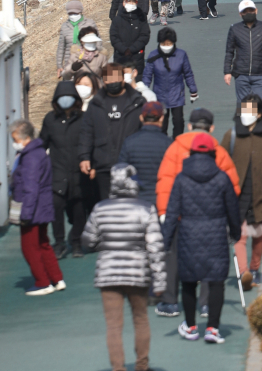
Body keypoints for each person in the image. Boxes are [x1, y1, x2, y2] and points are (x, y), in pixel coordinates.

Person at [82, 163, 165, 371]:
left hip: (108, 272)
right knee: (140, 319)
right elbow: (155, 247)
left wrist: (105, 245)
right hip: (137, 272)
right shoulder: (145, 208)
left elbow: (88, 241)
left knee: (113, 325)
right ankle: (141, 368)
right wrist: (160, 280)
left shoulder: (100, 208)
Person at [155, 108, 240, 318]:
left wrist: (165, 211)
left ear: (189, 125)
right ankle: (206, 304)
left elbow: (166, 179)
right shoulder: (218, 151)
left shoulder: (175, 148)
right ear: (211, 128)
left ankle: (170, 301)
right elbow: (232, 186)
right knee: (211, 260)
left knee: (173, 259)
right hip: (213, 217)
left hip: (182, 217)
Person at [221, 95, 262, 290]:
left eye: (252, 110)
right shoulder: (231, 136)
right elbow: (222, 160)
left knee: (258, 234)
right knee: (239, 235)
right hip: (237, 194)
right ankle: (244, 272)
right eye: (245, 109)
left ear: (260, 113)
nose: (248, 114)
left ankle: (255, 269)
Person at [10, 119, 65, 296]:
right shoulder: (39, 152)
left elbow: (30, 187)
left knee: (30, 247)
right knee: (43, 244)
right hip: (42, 207)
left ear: (24, 138)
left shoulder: (30, 157)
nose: (14, 144)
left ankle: (42, 282)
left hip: (32, 208)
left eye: (15, 139)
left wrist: (25, 213)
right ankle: (56, 278)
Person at [78, 63, 145, 207]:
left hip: (131, 164)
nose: (111, 82)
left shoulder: (137, 102)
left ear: (123, 79)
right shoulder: (95, 104)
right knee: (106, 205)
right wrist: (84, 156)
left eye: (115, 79)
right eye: (107, 79)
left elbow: (145, 130)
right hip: (103, 165)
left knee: (130, 206)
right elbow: (87, 131)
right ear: (103, 80)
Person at [40, 82, 85, 260]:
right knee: (56, 208)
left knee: (79, 211)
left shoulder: (84, 119)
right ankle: (59, 242)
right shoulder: (50, 120)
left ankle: (76, 241)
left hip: (79, 174)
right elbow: (42, 143)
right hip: (57, 173)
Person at [142, 28, 198, 138]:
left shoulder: (181, 55)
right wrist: (144, 92)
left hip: (177, 94)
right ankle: (163, 145)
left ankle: (177, 142)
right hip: (159, 95)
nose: (166, 46)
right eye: (164, 43)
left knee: (178, 122)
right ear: (159, 43)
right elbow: (147, 75)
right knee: (162, 124)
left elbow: (188, 73)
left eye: (169, 43)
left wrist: (193, 90)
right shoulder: (153, 55)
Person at [118, 101, 171, 204]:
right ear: (161, 118)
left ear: (141, 118)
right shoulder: (168, 143)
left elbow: (122, 171)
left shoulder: (129, 142)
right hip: (160, 199)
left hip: (135, 199)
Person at [224, 0, 262, 103]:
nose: (248, 13)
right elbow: (229, 52)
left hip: (259, 74)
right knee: (246, 107)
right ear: (240, 14)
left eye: (251, 10)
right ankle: (249, 119)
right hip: (241, 74)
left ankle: (257, 118)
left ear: (256, 11)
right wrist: (227, 72)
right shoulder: (234, 29)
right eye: (245, 11)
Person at [109, 0, 150, 77]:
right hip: (120, 57)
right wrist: (124, 49)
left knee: (137, 83)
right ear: (124, 3)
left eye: (133, 1)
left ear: (136, 3)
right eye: (128, 1)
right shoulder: (117, 20)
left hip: (137, 57)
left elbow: (145, 35)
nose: (131, 3)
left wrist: (132, 49)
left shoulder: (141, 18)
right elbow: (113, 37)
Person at [57, 0, 97, 77]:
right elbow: (61, 47)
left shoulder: (89, 24)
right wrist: (59, 65)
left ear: (80, 12)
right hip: (70, 64)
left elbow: (97, 44)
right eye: (70, 13)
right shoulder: (65, 27)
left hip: (88, 63)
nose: (73, 15)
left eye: (75, 13)